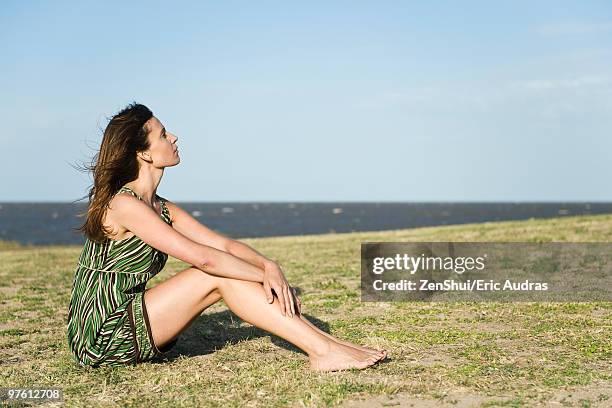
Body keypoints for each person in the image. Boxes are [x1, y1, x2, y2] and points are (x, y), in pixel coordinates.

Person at [66, 102, 387, 372]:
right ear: (144, 154)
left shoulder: (161, 207)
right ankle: (322, 351)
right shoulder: (124, 205)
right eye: (163, 134)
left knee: (223, 270)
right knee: (213, 274)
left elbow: (223, 245)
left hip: (131, 313)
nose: (174, 137)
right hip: (101, 333)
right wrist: (264, 277)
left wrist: (269, 265)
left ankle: (330, 346)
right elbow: (203, 257)